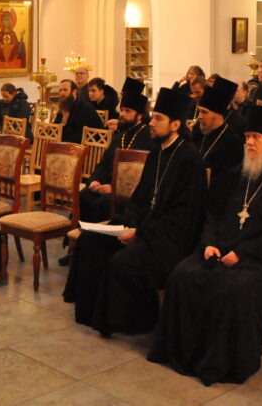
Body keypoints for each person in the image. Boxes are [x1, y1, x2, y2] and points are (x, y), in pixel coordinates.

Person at [148, 106, 262, 385]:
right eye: (246, 137)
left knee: (231, 288)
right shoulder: (234, 174)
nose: (248, 143)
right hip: (219, 250)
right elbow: (211, 214)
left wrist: (243, 252)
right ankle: (182, 354)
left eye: (255, 137)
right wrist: (209, 243)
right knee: (182, 276)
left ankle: (221, 364)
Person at [63, 87, 207, 337]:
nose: (152, 123)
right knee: (90, 240)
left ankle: (128, 322)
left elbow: (183, 216)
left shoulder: (189, 159)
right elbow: (142, 197)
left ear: (175, 124)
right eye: (153, 117)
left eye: (158, 118)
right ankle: (89, 314)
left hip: (168, 241)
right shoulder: (157, 152)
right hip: (141, 226)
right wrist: (128, 224)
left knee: (122, 261)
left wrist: (140, 233)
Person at [78, 78, 153, 222]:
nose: (122, 114)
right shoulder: (121, 136)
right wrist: (95, 180)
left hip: (127, 193)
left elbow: (142, 176)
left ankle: (97, 239)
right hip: (105, 186)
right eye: (122, 110)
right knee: (85, 195)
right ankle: (80, 238)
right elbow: (104, 163)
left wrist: (114, 188)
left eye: (128, 111)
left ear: (139, 116)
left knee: (102, 203)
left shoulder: (148, 138)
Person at [191, 76, 244, 214]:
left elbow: (230, 184)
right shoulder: (198, 132)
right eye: (199, 111)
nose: (199, 116)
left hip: (216, 207)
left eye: (204, 112)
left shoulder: (233, 142)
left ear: (219, 114)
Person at [54, 78, 98, 144]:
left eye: (65, 90)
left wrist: (60, 143)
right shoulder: (64, 106)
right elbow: (55, 128)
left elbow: (80, 134)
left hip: (84, 146)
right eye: (60, 90)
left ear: (74, 92)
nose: (62, 93)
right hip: (64, 144)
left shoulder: (84, 107)